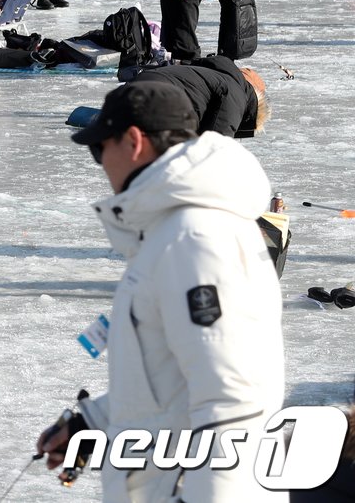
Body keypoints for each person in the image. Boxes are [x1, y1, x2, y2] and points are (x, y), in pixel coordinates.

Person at [37, 81, 284, 502]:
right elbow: (166, 383)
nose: (99, 163)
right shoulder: (172, 233)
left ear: (134, 142)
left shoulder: (195, 239)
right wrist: (93, 422)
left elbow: (233, 397)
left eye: (100, 148)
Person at [130, 58, 268, 138]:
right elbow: (215, 145)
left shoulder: (209, 76)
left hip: (137, 87)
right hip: (161, 99)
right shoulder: (235, 94)